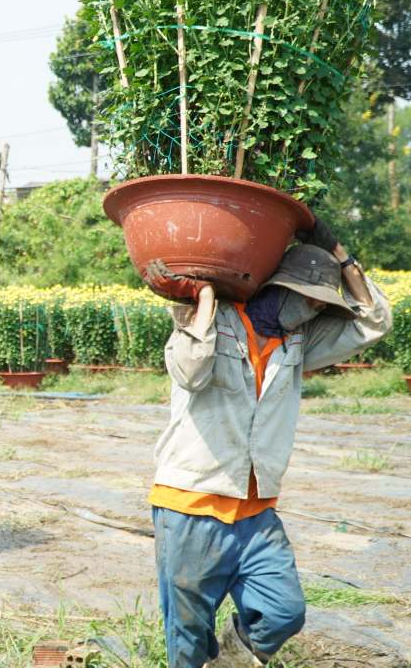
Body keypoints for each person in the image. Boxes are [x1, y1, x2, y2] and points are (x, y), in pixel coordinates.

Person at [142, 218, 391, 668]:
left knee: (284, 611)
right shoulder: (212, 320)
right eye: (309, 300)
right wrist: (199, 299)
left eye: (320, 306)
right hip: (191, 505)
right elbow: (192, 372)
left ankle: (231, 662)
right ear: (282, 288)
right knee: (188, 637)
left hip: (256, 512)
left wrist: (341, 255)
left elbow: (375, 321)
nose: (313, 311)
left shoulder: (299, 343)